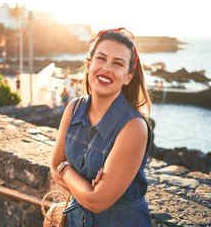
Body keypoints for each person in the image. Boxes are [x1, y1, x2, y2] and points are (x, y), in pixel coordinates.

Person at [50, 27, 153, 226]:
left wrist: (65, 168)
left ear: (128, 76)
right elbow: (53, 168)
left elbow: (96, 202)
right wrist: (85, 187)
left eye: (118, 63)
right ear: (89, 64)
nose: (106, 68)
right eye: (101, 58)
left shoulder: (133, 127)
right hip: (76, 220)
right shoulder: (73, 109)